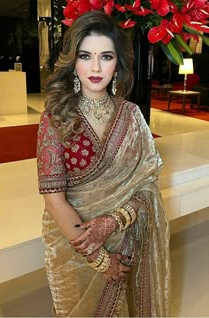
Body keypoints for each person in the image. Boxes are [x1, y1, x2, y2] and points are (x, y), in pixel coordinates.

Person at [37, 10, 170, 317]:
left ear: (118, 64)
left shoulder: (132, 115)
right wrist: (99, 258)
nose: (95, 67)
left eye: (106, 57)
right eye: (86, 56)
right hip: (75, 249)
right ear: (73, 62)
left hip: (129, 239)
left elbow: (148, 182)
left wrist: (114, 221)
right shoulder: (55, 118)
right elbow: (54, 201)